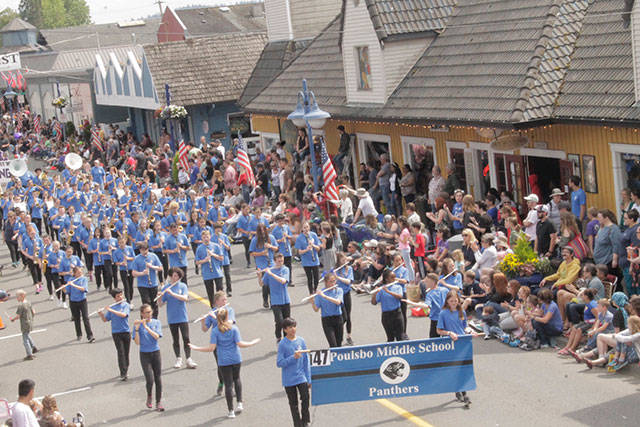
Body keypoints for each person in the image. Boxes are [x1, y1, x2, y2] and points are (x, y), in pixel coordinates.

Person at [190, 308, 261, 419]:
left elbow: (211, 348)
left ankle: (231, 411)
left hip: (223, 360)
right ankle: (239, 403)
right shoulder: (234, 329)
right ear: (227, 317)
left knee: (228, 384)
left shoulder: (215, 331)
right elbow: (240, 344)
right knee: (237, 379)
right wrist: (252, 342)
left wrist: (196, 348)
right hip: (236, 358)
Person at [436, 290, 471, 406]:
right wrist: (449, 333)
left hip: (462, 343)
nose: (454, 303)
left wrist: (469, 331)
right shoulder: (443, 313)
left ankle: (464, 391)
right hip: (450, 343)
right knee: (456, 368)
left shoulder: (462, 312)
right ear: (447, 301)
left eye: (455, 301)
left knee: (464, 368)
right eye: (451, 301)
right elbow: (439, 330)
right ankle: (458, 391)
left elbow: (465, 326)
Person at [158, 267, 197, 369]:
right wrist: (160, 296)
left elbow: (185, 298)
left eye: (178, 276)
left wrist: (172, 293)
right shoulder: (165, 287)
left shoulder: (183, 286)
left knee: (186, 338)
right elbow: (161, 304)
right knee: (175, 339)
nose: (176, 278)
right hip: (172, 317)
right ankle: (178, 358)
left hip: (182, 316)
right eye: (174, 276)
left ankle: (189, 358)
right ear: (170, 276)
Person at [276, 317, 311, 427]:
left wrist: (309, 378)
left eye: (294, 327)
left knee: (305, 398)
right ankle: (297, 424)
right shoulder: (283, 344)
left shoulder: (301, 341)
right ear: (285, 330)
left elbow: (306, 360)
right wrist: (293, 357)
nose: (293, 329)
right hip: (289, 379)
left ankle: (305, 421)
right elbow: (279, 363)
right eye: (290, 327)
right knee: (293, 404)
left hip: (301, 377)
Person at [201, 291, 236, 396]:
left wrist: (216, 318)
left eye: (226, 299)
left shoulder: (229, 310)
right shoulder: (212, 312)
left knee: (232, 365)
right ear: (216, 302)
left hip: (229, 341)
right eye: (223, 300)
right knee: (221, 365)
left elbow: (229, 323)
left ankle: (231, 386)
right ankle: (221, 382)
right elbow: (205, 329)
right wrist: (203, 320)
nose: (225, 301)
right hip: (217, 342)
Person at [133, 303, 164, 411]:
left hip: (155, 352)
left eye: (150, 312)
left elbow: (156, 336)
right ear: (142, 314)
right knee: (150, 379)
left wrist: (146, 327)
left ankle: (159, 401)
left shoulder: (156, 323)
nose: (149, 314)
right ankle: (149, 396)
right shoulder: (138, 325)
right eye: (146, 312)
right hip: (144, 354)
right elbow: (137, 342)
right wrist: (137, 330)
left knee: (158, 378)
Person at [98, 288, 131, 380]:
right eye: (118, 296)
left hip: (126, 331)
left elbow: (123, 315)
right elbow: (105, 319)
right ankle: (123, 373)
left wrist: (111, 310)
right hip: (116, 333)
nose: (120, 297)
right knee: (120, 352)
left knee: (126, 353)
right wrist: (101, 313)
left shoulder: (126, 305)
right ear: (114, 298)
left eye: (121, 295)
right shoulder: (112, 307)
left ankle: (126, 369)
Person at [263, 253, 291, 343]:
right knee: (279, 322)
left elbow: (283, 281)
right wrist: (260, 277)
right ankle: (278, 338)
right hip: (275, 301)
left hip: (285, 300)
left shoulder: (285, 269)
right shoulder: (269, 271)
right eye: (279, 261)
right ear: (275, 261)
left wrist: (271, 274)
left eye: (282, 260)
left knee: (287, 322)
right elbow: (263, 284)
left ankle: (286, 340)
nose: (281, 262)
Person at [312, 272, 344, 347]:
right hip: (327, 320)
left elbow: (338, 302)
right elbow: (316, 309)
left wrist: (325, 296)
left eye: (334, 281)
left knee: (339, 344)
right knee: (333, 344)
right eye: (331, 282)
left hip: (338, 318)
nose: (333, 283)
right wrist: (312, 302)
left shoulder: (339, 290)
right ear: (325, 282)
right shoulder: (320, 293)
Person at [371, 269, 404, 342]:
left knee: (400, 338)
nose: (394, 279)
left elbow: (400, 296)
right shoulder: (382, 289)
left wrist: (388, 291)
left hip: (397, 314)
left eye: (394, 277)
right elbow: (373, 302)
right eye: (392, 277)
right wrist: (375, 293)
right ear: (386, 279)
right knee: (390, 338)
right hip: (386, 316)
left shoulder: (398, 287)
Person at [132, 242, 163, 318]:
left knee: (154, 303)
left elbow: (160, 268)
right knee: (146, 303)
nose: (144, 252)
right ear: (140, 250)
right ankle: (144, 319)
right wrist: (142, 273)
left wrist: (152, 266)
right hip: (142, 285)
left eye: (146, 249)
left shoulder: (153, 256)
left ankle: (154, 319)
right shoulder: (137, 259)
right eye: (142, 250)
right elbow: (133, 273)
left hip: (153, 284)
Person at [64, 266, 95, 343]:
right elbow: (67, 292)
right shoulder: (70, 280)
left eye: (81, 272)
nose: (80, 274)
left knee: (86, 318)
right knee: (76, 318)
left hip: (82, 300)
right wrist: (63, 288)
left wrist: (73, 285)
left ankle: (90, 336)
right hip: (73, 301)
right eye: (78, 273)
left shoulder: (83, 279)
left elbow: (84, 289)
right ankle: (79, 334)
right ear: (74, 274)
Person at [10, 289, 38, 361]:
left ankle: (29, 354)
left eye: (17, 296)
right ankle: (33, 347)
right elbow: (33, 312)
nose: (17, 298)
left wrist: (13, 319)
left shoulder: (21, 306)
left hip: (24, 323)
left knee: (25, 339)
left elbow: (18, 316)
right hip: (30, 322)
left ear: (22, 296)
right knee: (27, 335)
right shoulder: (28, 302)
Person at [295, 222, 321, 295]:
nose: (306, 229)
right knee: (310, 278)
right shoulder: (300, 238)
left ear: (309, 227)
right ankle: (311, 293)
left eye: (307, 227)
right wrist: (306, 249)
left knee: (316, 278)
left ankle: (315, 289)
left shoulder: (314, 235)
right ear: (302, 229)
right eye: (304, 227)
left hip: (315, 260)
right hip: (306, 261)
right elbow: (299, 252)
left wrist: (313, 245)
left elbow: (318, 248)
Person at [335, 252, 355, 345]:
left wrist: (338, 277)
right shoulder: (336, 270)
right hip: (339, 295)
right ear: (339, 261)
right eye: (343, 260)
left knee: (348, 317)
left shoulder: (349, 269)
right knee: (342, 317)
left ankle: (349, 336)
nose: (345, 262)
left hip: (346, 294)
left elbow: (348, 282)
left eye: (345, 260)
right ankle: (338, 333)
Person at [423, 273, 450, 337]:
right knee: (447, 338)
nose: (425, 283)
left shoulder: (429, 294)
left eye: (427, 281)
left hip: (435, 319)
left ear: (432, 282)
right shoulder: (445, 290)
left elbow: (426, 306)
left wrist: (412, 303)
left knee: (434, 340)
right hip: (446, 317)